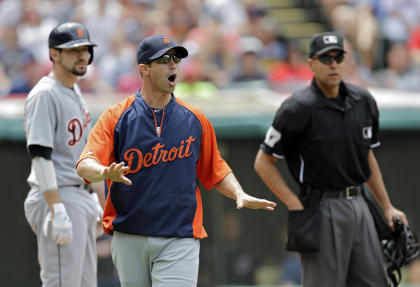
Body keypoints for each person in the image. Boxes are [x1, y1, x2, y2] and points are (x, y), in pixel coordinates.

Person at [76, 34, 276, 287]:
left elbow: (215, 168)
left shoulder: (195, 119)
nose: (173, 65)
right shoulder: (117, 116)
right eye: (164, 60)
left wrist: (238, 192)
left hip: (178, 235)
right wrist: (104, 172)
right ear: (144, 69)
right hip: (129, 234)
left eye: (177, 59)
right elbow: (85, 164)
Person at [254, 31, 408, 286]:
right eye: (326, 58)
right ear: (311, 63)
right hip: (320, 206)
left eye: (338, 57)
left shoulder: (363, 100)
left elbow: (367, 157)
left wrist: (387, 206)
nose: (333, 63)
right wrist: (292, 202)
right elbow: (262, 161)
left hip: (360, 203)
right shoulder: (297, 108)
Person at [23, 22, 105, 287]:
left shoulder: (74, 88)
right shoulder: (45, 94)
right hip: (58, 195)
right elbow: (40, 156)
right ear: (53, 54)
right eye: (73, 50)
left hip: (78, 194)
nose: (82, 55)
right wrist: (57, 208)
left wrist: (92, 195)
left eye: (85, 49)